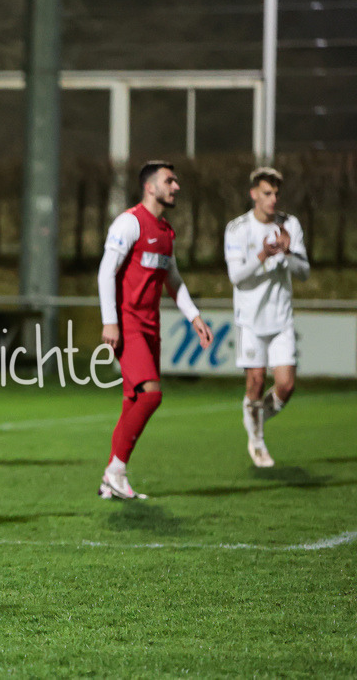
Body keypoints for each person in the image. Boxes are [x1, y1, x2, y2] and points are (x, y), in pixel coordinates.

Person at [97, 160, 214, 500]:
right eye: (169, 181)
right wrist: (110, 321)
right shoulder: (129, 222)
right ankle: (115, 470)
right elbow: (106, 273)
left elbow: (172, 280)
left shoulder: (165, 231)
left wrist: (194, 317)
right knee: (151, 394)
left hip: (151, 327)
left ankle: (111, 482)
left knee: (133, 400)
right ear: (150, 187)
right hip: (129, 324)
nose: (176, 186)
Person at [224, 167, 310, 467]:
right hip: (250, 319)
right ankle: (257, 441)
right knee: (256, 382)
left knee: (286, 386)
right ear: (253, 195)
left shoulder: (290, 225)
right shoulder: (237, 229)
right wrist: (262, 256)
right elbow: (236, 277)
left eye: (275, 193)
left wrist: (287, 253)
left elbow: (304, 272)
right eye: (266, 193)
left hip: (281, 318)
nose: (273, 199)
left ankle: (254, 416)